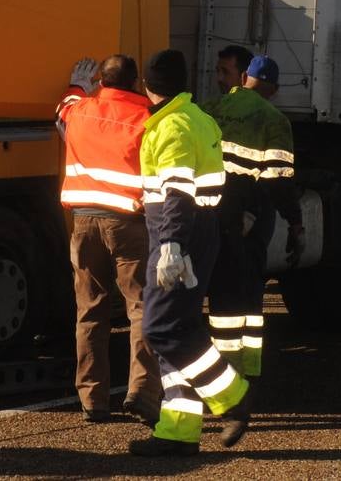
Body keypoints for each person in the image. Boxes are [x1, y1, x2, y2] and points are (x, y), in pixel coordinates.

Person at [129, 48, 250, 457]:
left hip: (179, 235)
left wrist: (171, 245)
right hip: (198, 230)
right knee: (178, 328)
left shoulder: (171, 126)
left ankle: (233, 397)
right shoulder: (198, 117)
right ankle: (178, 432)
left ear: (147, 86)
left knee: (161, 329)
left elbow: (178, 192)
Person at [56, 55, 162, 427]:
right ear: (135, 82)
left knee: (90, 311)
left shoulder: (79, 110)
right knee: (141, 309)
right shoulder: (147, 117)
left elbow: (62, 112)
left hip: (84, 222)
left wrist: (77, 85)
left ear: (102, 80)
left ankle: (92, 400)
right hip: (129, 223)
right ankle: (142, 393)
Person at [205, 54, 303, 392]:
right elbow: (279, 182)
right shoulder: (274, 120)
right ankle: (243, 370)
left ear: (244, 76)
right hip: (250, 220)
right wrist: (296, 223)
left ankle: (219, 371)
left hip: (209, 212)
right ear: (274, 89)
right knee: (246, 296)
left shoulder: (210, 108)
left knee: (219, 295)